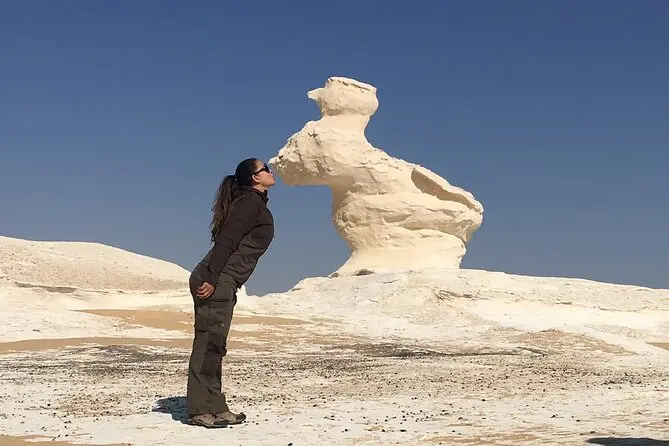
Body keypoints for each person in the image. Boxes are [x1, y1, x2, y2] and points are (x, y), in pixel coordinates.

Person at [186, 158, 276, 428]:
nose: (270, 171)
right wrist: (212, 278)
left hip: (224, 279)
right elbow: (227, 240)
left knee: (216, 345)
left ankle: (216, 407)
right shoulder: (249, 203)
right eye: (265, 168)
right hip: (216, 278)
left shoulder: (254, 203)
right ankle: (200, 409)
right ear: (254, 178)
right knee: (207, 345)